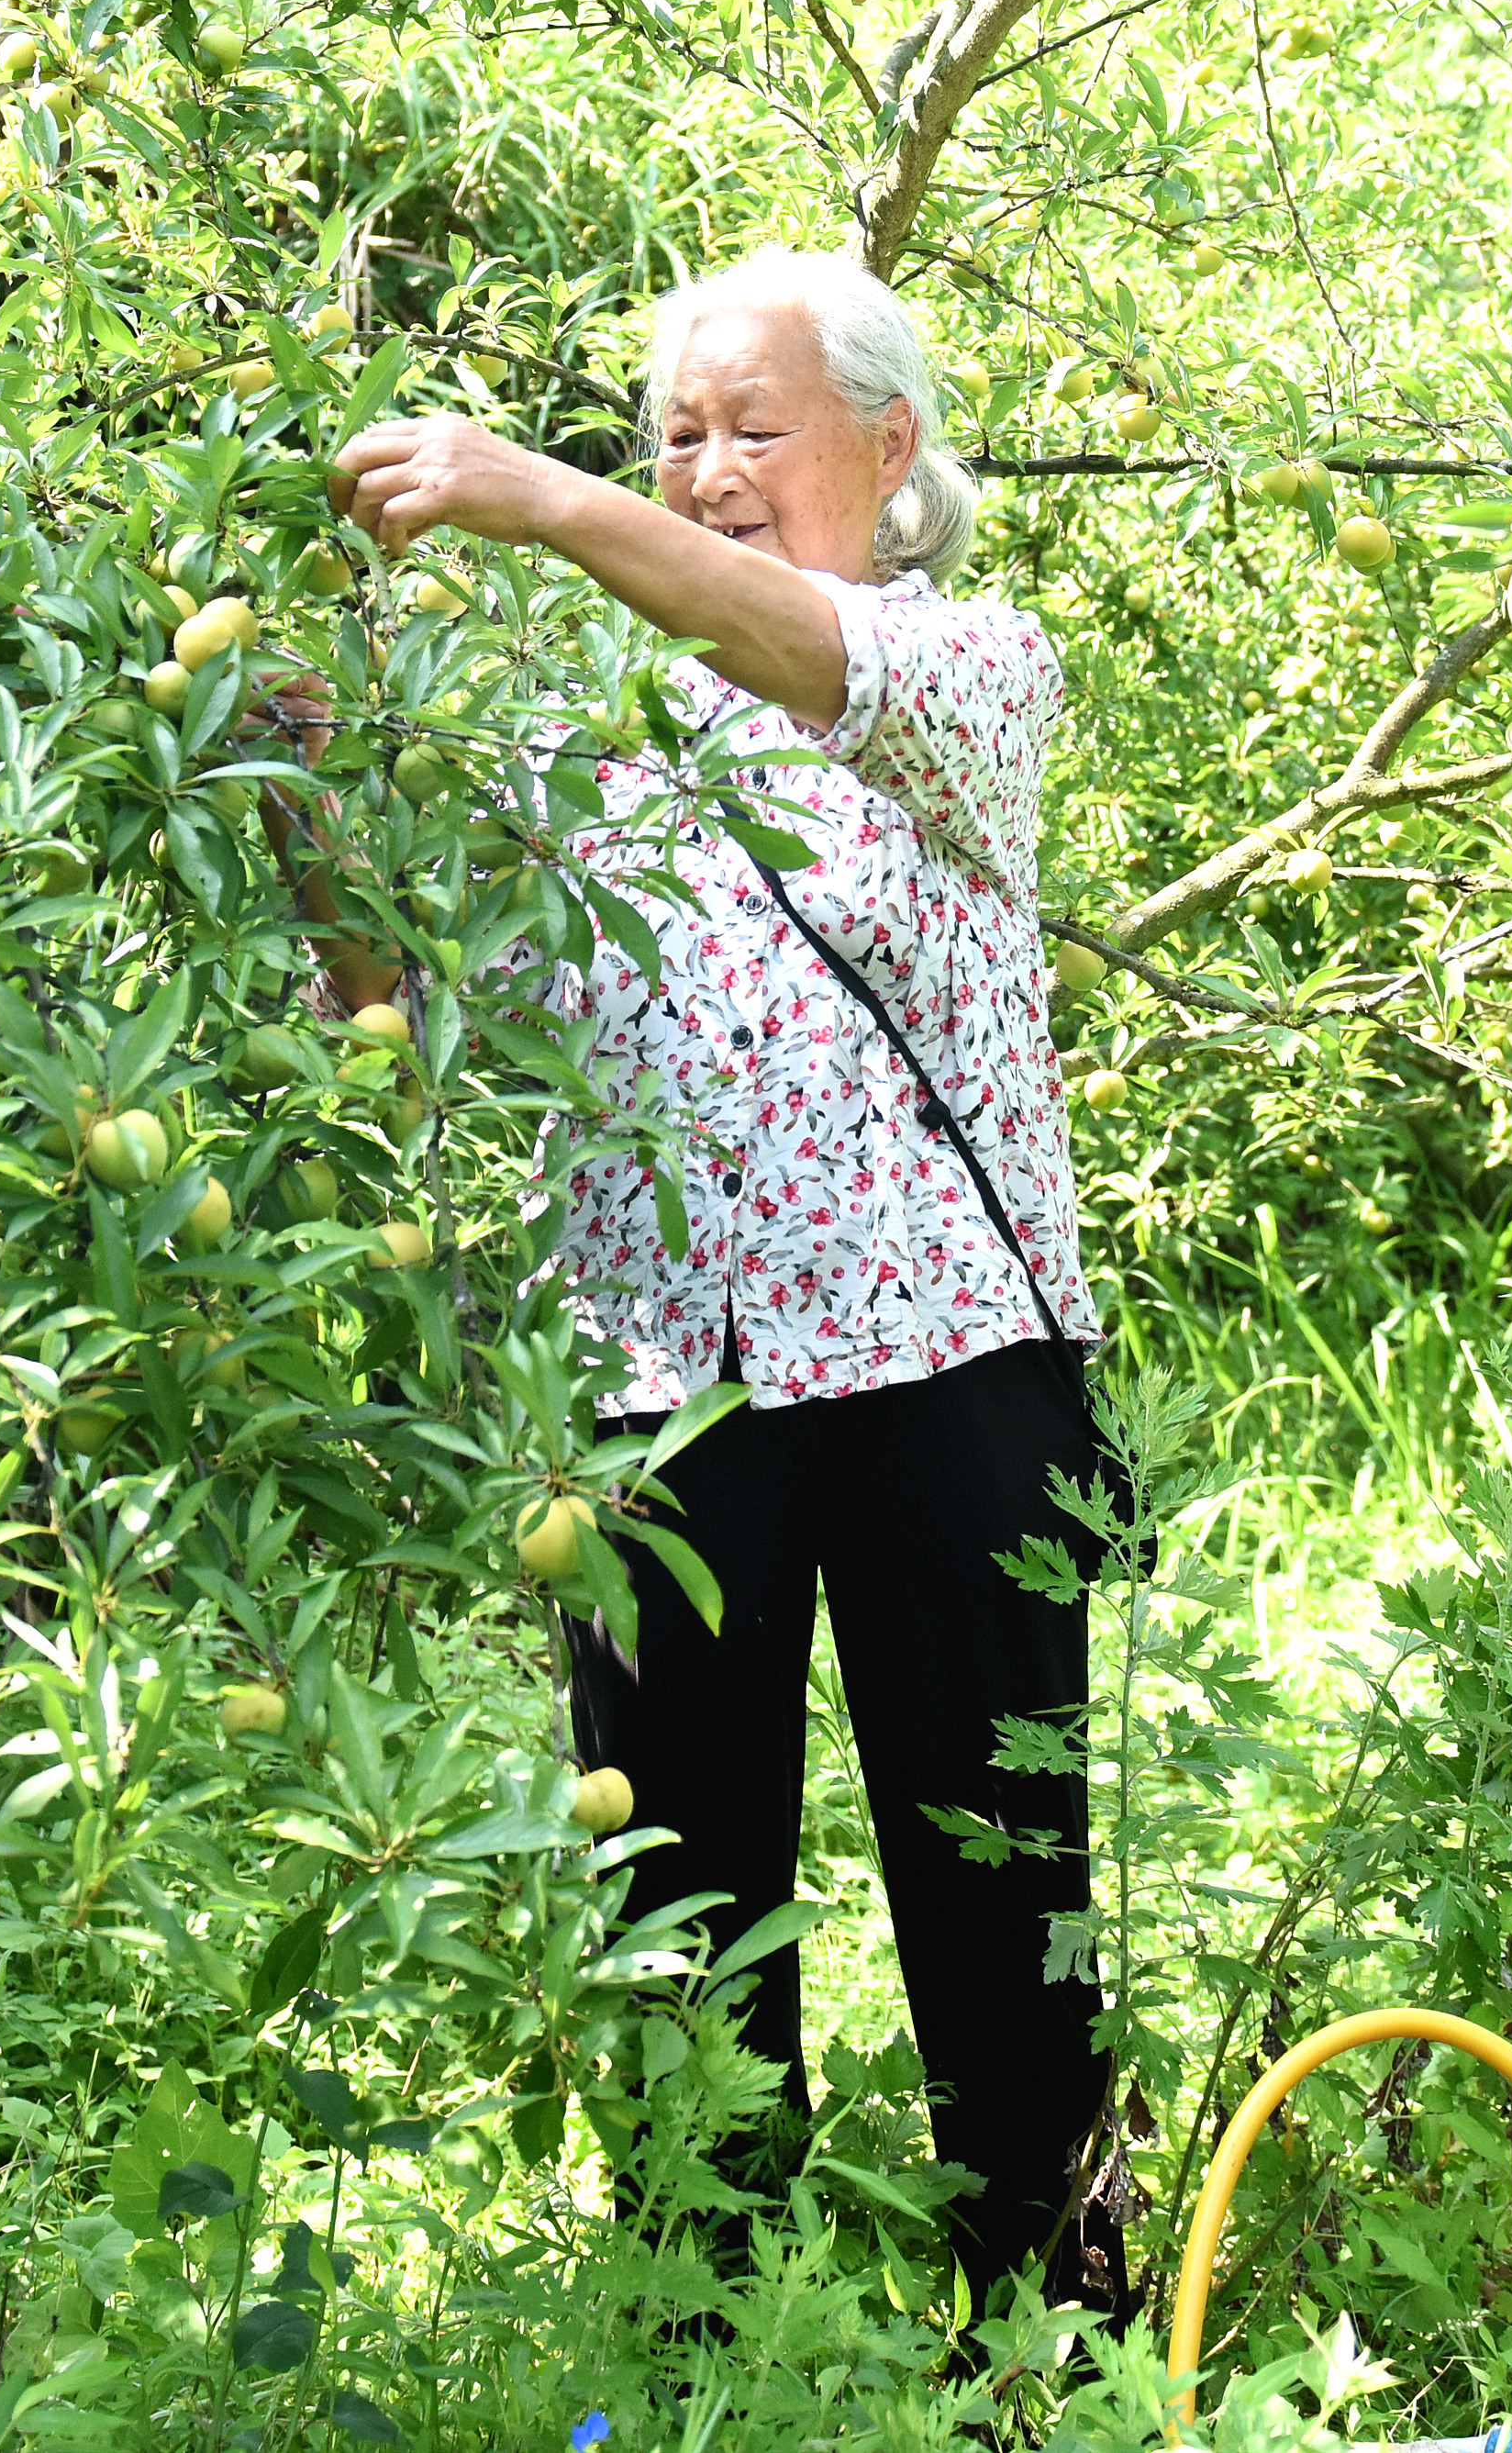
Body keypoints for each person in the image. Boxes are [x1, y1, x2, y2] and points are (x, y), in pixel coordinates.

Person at [322, 250, 1118, 2322]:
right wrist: (323, 815)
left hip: (954, 1366)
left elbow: (818, 666)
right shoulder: (565, 743)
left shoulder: (972, 666)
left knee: (999, 1883)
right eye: (673, 434)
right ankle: (699, 2347)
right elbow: (389, 1026)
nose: (707, 468)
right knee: (674, 1906)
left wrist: (552, 506)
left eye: (754, 428)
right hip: (665, 1396)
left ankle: (1053, 2333)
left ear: (890, 448)